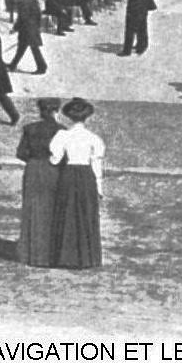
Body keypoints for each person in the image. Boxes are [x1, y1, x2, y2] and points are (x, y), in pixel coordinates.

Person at [49, 98, 105, 269]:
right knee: (86, 213)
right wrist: (99, 188)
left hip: (68, 174)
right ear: (87, 117)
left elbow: (55, 159)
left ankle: (64, 256)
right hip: (86, 176)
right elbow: (97, 164)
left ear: (68, 116)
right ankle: (87, 257)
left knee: (66, 213)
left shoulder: (62, 135)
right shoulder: (93, 138)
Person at [15, 97, 64, 266]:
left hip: (33, 168)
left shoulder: (30, 128)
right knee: (51, 209)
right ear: (56, 111)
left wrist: (34, 159)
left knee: (32, 209)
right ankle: (50, 253)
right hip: (53, 170)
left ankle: (30, 253)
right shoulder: (61, 130)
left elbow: (21, 153)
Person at [9, 0, 48, 73]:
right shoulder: (33, 0)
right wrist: (37, 26)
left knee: (32, 49)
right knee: (23, 48)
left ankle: (42, 67)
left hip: (26, 29)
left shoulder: (23, 2)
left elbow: (22, 18)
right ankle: (13, 65)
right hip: (33, 28)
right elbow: (39, 14)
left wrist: (15, 28)